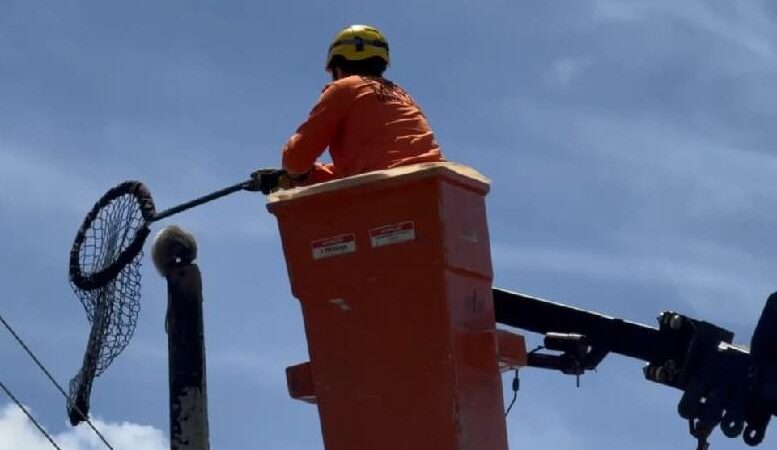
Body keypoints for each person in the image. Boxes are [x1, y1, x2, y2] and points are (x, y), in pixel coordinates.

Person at [251, 24, 445, 193]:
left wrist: (293, 174)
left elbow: (296, 158)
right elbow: (371, 168)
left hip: (388, 193)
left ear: (337, 67)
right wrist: (311, 175)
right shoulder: (403, 96)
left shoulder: (344, 88)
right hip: (436, 185)